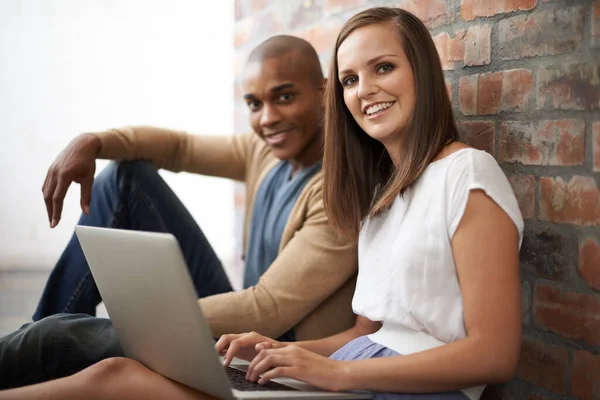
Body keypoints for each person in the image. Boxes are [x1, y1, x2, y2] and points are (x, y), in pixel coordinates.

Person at [0, 6, 524, 400]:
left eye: (383, 68)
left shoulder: (465, 172)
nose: (365, 90)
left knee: (107, 372)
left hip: (384, 386)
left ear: (422, 74)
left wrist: (333, 369)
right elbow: (369, 332)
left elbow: (495, 355)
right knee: (106, 372)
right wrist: (281, 353)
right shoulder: (385, 194)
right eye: (351, 79)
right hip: (346, 370)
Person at [0, 35, 358, 390]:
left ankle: (35, 343)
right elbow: (179, 147)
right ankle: (35, 342)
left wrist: (151, 322)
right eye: (253, 104)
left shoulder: (341, 191)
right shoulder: (264, 153)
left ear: (325, 91)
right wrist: (92, 142)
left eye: (285, 96)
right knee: (125, 178)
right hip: (242, 325)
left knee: (58, 337)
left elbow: (266, 308)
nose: (268, 118)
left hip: (269, 359)